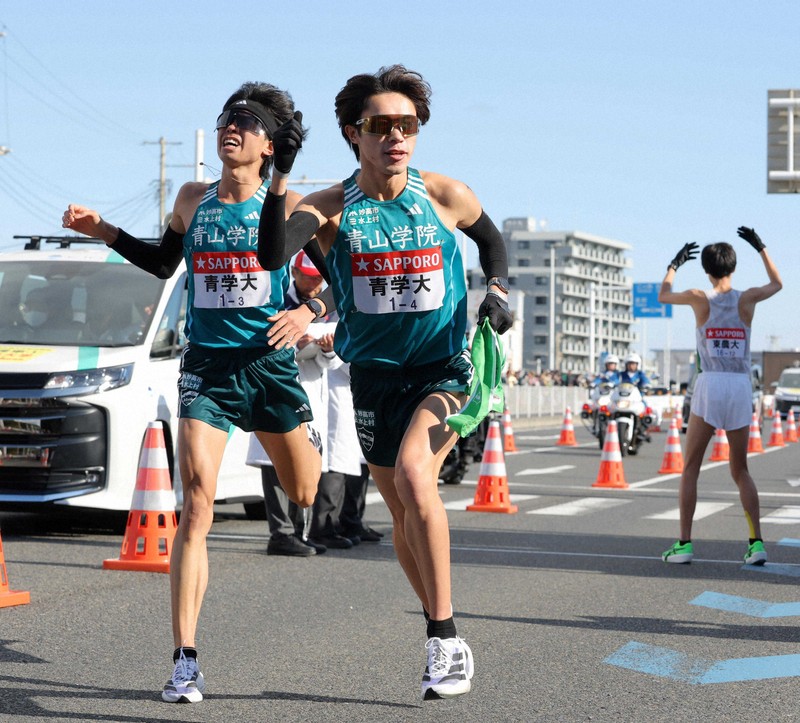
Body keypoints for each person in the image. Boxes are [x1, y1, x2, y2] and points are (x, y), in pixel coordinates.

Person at [62, 82, 332, 704]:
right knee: (198, 504)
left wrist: (308, 310)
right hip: (207, 368)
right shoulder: (193, 199)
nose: (230, 128)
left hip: (271, 368)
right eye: (225, 120)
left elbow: (338, 280)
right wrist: (105, 230)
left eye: (247, 122)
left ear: (269, 145)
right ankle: (185, 658)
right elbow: (164, 263)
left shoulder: (290, 209)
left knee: (305, 491)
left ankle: (302, 443)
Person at [257, 64, 513, 701]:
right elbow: (268, 257)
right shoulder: (328, 210)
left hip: (444, 368)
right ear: (354, 133)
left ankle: (444, 635)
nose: (396, 137)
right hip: (371, 376)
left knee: (414, 473)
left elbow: (492, 242)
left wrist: (499, 289)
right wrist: (280, 178)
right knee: (400, 515)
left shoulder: (446, 195)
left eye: (408, 125)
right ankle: (440, 626)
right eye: (381, 126)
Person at [658, 227, 782, 565]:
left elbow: (663, 295)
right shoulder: (747, 298)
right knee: (740, 469)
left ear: (707, 270)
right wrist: (761, 246)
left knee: (691, 468)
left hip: (710, 383)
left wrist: (674, 264)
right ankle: (756, 543)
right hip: (740, 384)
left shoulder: (700, 297)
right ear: (733, 267)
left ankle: (684, 544)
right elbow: (777, 283)